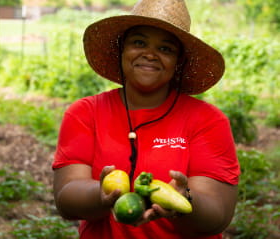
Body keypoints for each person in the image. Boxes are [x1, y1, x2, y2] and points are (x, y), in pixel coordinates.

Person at [52, 0, 240, 238]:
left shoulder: (207, 121)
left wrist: (183, 200)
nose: (150, 55)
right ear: (121, 50)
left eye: (166, 49)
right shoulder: (86, 113)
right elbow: (66, 200)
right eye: (139, 42)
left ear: (178, 62)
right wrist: (100, 194)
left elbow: (218, 217)